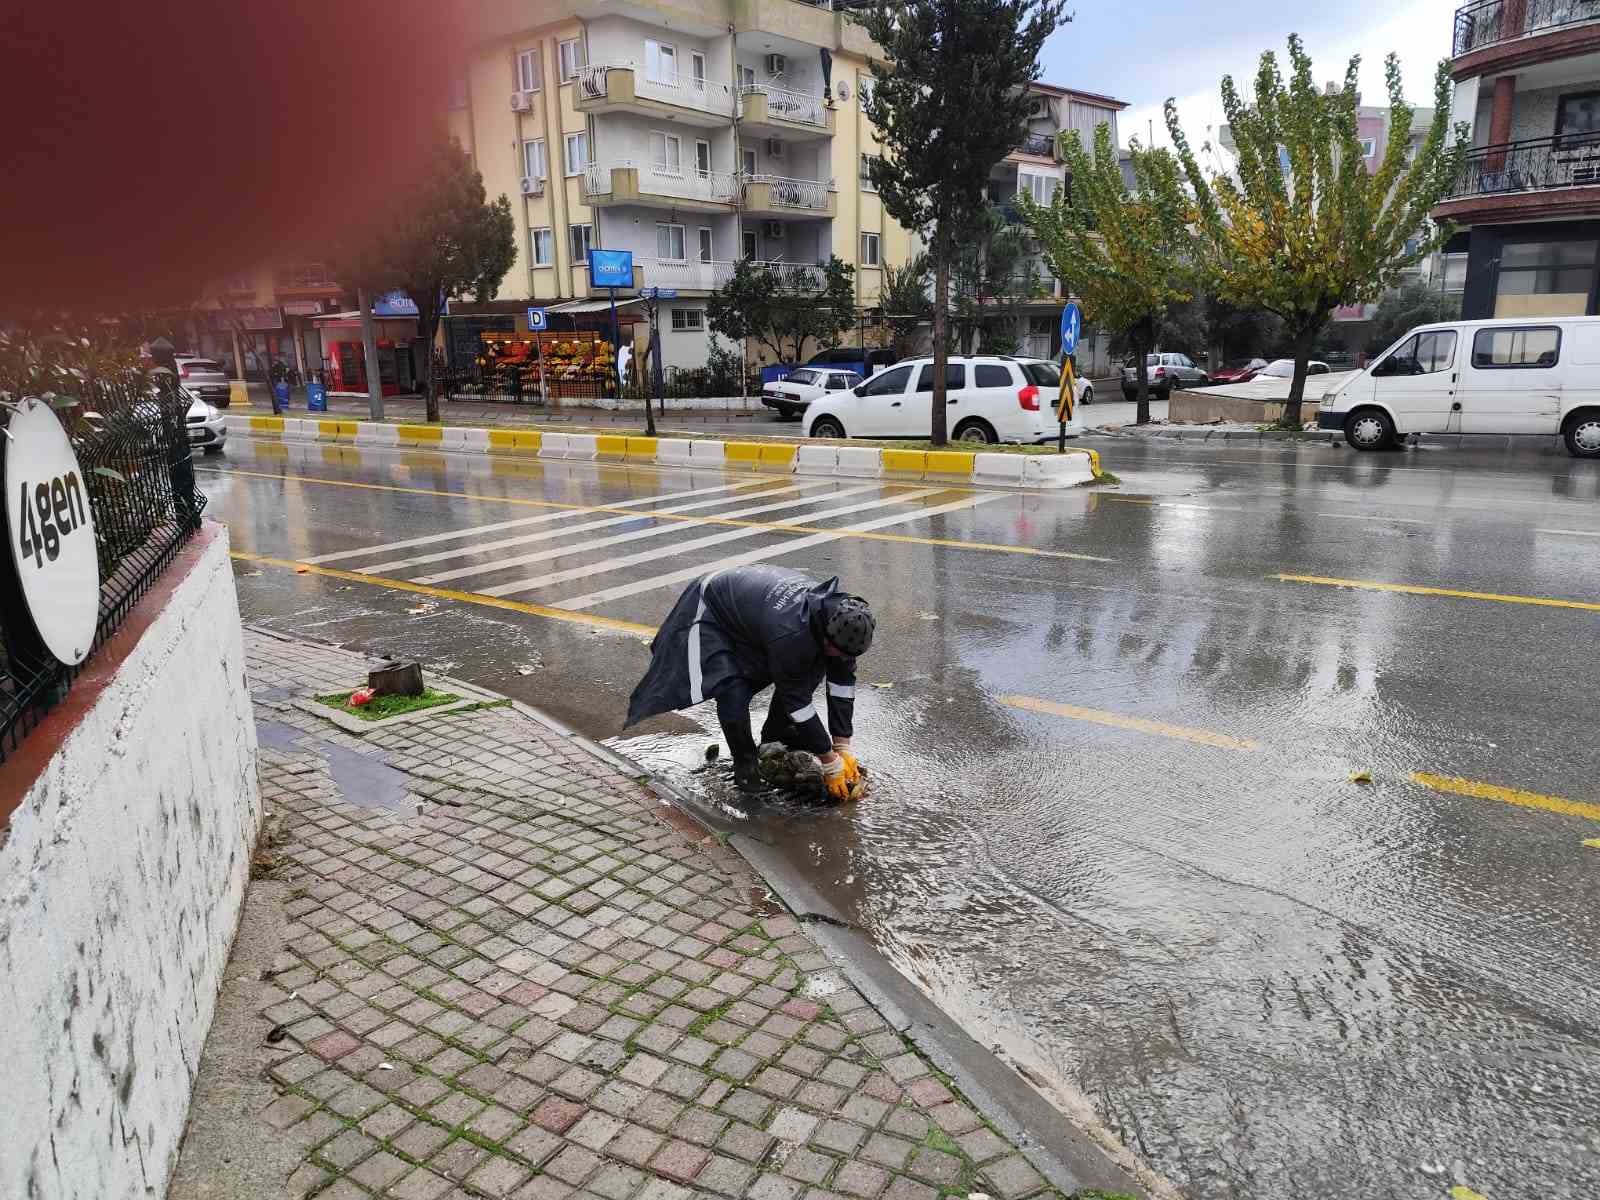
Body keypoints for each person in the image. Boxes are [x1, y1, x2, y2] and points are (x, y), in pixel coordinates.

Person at [626, 566, 874, 800]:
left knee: (809, 668)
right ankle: (745, 763)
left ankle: (775, 734)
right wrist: (828, 759)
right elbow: (796, 698)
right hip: (714, 607)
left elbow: (842, 685)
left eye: (846, 654)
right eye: (837, 651)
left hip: (758, 614)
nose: (841, 658)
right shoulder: (791, 632)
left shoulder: (841, 625)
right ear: (827, 633)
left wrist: (842, 745)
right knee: (732, 686)